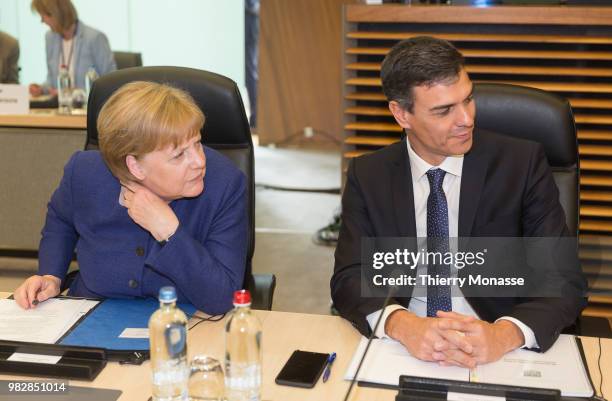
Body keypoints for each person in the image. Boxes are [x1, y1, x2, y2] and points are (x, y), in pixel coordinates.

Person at [331, 36, 587, 368]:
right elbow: (350, 277)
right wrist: (401, 324)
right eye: (444, 110)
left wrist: (505, 334)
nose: (466, 119)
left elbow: (563, 280)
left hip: (501, 350)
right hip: (404, 349)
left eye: (468, 99)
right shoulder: (369, 174)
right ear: (401, 114)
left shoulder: (521, 165)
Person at [14, 81, 247, 315]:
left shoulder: (225, 184)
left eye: (197, 143)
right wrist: (51, 275)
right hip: (93, 315)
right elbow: (61, 220)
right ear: (135, 166)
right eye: (179, 155)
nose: (199, 161)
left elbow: (221, 298)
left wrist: (169, 230)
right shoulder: (84, 172)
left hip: (185, 320)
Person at [29, 0, 116, 96]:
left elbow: (110, 81)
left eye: (43, 16)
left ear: (57, 14)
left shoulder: (94, 38)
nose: (42, 21)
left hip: (86, 106)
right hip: (60, 106)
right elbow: (52, 80)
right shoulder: (50, 38)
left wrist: (78, 92)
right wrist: (41, 89)